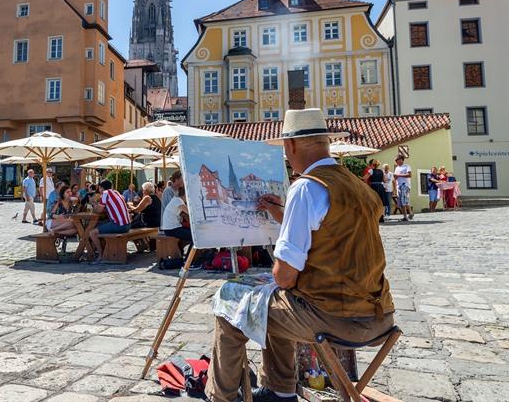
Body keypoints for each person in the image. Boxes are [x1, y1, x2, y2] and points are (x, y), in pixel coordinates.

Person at [205, 108, 395, 402]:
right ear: (325, 143)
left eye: (285, 150)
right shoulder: (359, 187)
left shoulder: (305, 188)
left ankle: (222, 397)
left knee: (231, 306)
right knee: (271, 303)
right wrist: (281, 213)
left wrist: (276, 275)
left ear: (291, 145)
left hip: (334, 317)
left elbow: (285, 276)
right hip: (378, 315)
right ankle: (280, 392)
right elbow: (332, 232)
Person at [85, 179, 131, 262]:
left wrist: (93, 203)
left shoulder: (105, 194)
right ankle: (101, 249)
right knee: (97, 225)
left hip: (119, 225)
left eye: (99, 188)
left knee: (92, 232)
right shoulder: (116, 193)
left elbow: (99, 210)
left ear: (101, 188)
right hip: (127, 225)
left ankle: (101, 255)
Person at [160, 186, 192, 257]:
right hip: (172, 229)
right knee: (194, 237)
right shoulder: (178, 201)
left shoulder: (175, 200)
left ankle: (185, 255)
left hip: (170, 228)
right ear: (186, 195)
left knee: (190, 233)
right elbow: (190, 212)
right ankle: (190, 259)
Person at [393, 155, 413, 222]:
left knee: (404, 201)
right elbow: (395, 177)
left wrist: (398, 175)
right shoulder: (397, 168)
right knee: (401, 202)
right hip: (398, 186)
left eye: (397, 159)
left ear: (401, 159)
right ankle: (406, 215)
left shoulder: (407, 166)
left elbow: (409, 175)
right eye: (395, 160)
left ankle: (409, 214)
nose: (396, 161)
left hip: (405, 185)